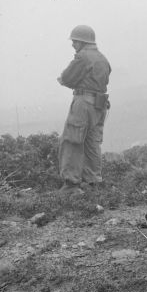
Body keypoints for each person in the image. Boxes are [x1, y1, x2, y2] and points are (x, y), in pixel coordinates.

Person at [57, 25, 111, 195]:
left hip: (84, 103)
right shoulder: (102, 58)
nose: (73, 44)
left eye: (75, 41)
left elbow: (67, 78)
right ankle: (93, 183)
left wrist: (63, 79)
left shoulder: (83, 57)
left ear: (82, 41)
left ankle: (71, 185)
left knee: (72, 140)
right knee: (92, 143)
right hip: (99, 106)